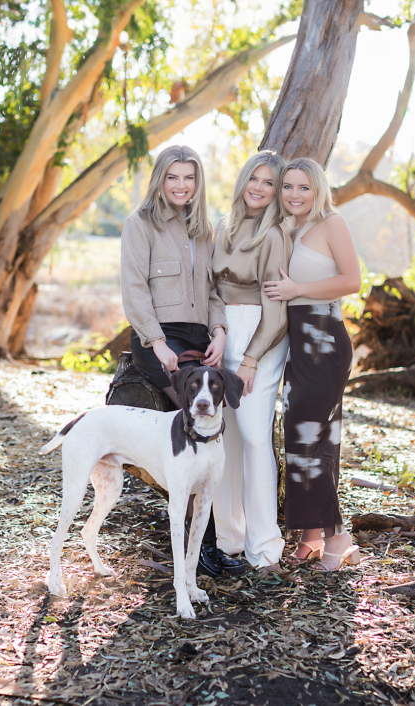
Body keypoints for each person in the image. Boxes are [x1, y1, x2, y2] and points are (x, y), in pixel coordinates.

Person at [119, 144, 246, 578]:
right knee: (195, 434)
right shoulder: (140, 226)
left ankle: (203, 549)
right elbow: (134, 289)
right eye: (173, 177)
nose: (181, 185)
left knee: (210, 441)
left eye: (189, 178)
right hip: (161, 340)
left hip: (198, 339)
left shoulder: (202, 230)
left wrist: (219, 331)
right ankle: (202, 551)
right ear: (160, 179)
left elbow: (213, 292)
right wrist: (156, 342)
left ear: (198, 183)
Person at [263, 157, 362, 572]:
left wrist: (296, 288)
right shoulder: (293, 228)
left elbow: (352, 280)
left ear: (318, 189)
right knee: (308, 441)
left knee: (307, 442)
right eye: (288, 187)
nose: (294, 194)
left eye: (303, 187)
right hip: (299, 345)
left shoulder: (332, 223)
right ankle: (310, 537)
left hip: (324, 342)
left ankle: (339, 538)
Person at [210, 150, 290, 571]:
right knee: (227, 438)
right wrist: (218, 333)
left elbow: (277, 309)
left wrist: (252, 358)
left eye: (269, 183)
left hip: (263, 338)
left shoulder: (275, 234)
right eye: (253, 179)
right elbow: (212, 291)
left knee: (256, 438)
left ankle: (265, 549)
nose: (258, 188)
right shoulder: (223, 227)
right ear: (243, 181)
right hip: (225, 335)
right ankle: (230, 539)